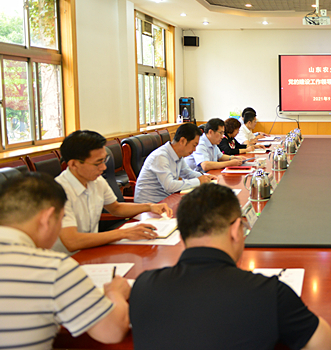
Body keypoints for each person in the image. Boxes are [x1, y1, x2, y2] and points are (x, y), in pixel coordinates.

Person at [129, 183, 331, 350]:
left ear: (182, 235)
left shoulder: (144, 287)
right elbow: (324, 344)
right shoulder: (269, 293)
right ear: (236, 230)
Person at [0, 173, 130, 349]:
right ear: (47, 219)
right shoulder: (53, 268)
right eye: (61, 220)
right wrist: (115, 293)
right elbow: (111, 331)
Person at [53, 130, 173, 254]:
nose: (104, 167)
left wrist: (150, 206)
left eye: (104, 160)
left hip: (90, 251)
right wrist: (124, 233)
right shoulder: (57, 192)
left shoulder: (97, 181)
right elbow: (72, 241)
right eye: (98, 163)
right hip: (62, 259)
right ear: (74, 164)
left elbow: (116, 208)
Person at [134, 123, 217, 203]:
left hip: (166, 200)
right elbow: (169, 186)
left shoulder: (178, 155)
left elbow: (188, 173)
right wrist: (198, 181)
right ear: (182, 141)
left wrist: (205, 177)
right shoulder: (160, 156)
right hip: (149, 206)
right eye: (194, 145)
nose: (194, 150)